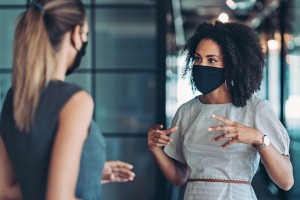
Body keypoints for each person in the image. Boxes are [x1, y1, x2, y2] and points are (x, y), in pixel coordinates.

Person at [0, 0, 135, 199]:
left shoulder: (14, 97)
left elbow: (5, 190)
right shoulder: (75, 101)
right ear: (75, 34)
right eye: (86, 34)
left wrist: (86, 175)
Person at [147, 20, 294, 200]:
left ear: (232, 65)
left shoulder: (255, 108)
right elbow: (179, 177)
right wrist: (155, 149)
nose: (202, 65)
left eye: (212, 60)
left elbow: (286, 181)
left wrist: (258, 138)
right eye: (198, 58)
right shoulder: (186, 111)